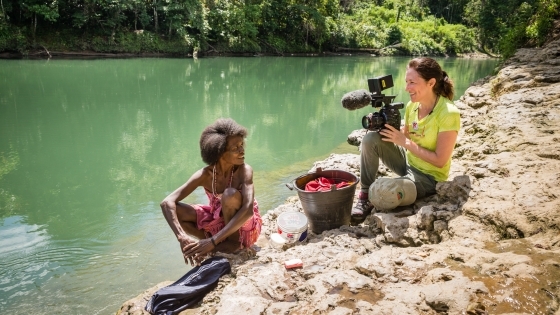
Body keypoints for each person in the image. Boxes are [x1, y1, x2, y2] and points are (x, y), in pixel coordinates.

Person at [351, 57, 461, 220]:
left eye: (412, 82)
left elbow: (440, 161)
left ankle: (386, 190)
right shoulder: (412, 106)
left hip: (429, 178)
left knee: (384, 193)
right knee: (370, 139)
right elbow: (407, 134)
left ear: (431, 83)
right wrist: (384, 126)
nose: (406, 88)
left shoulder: (448, 113)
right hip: (407, 163)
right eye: (406, 82)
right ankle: (365, 194)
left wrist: (404, 142)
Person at [160, 118, 262, 266]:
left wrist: (213, 241)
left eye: (242, 145)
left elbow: (247, 211)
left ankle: (228, 243)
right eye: (235, 148)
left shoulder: (244, 170)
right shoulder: (205, 175)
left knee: (230, 195)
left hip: (243, 226)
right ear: (219, 152)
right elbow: (166, 202)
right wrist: (181, 237)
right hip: (220, 220)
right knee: (177, 212)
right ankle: (207, 244)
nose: (242, 150)